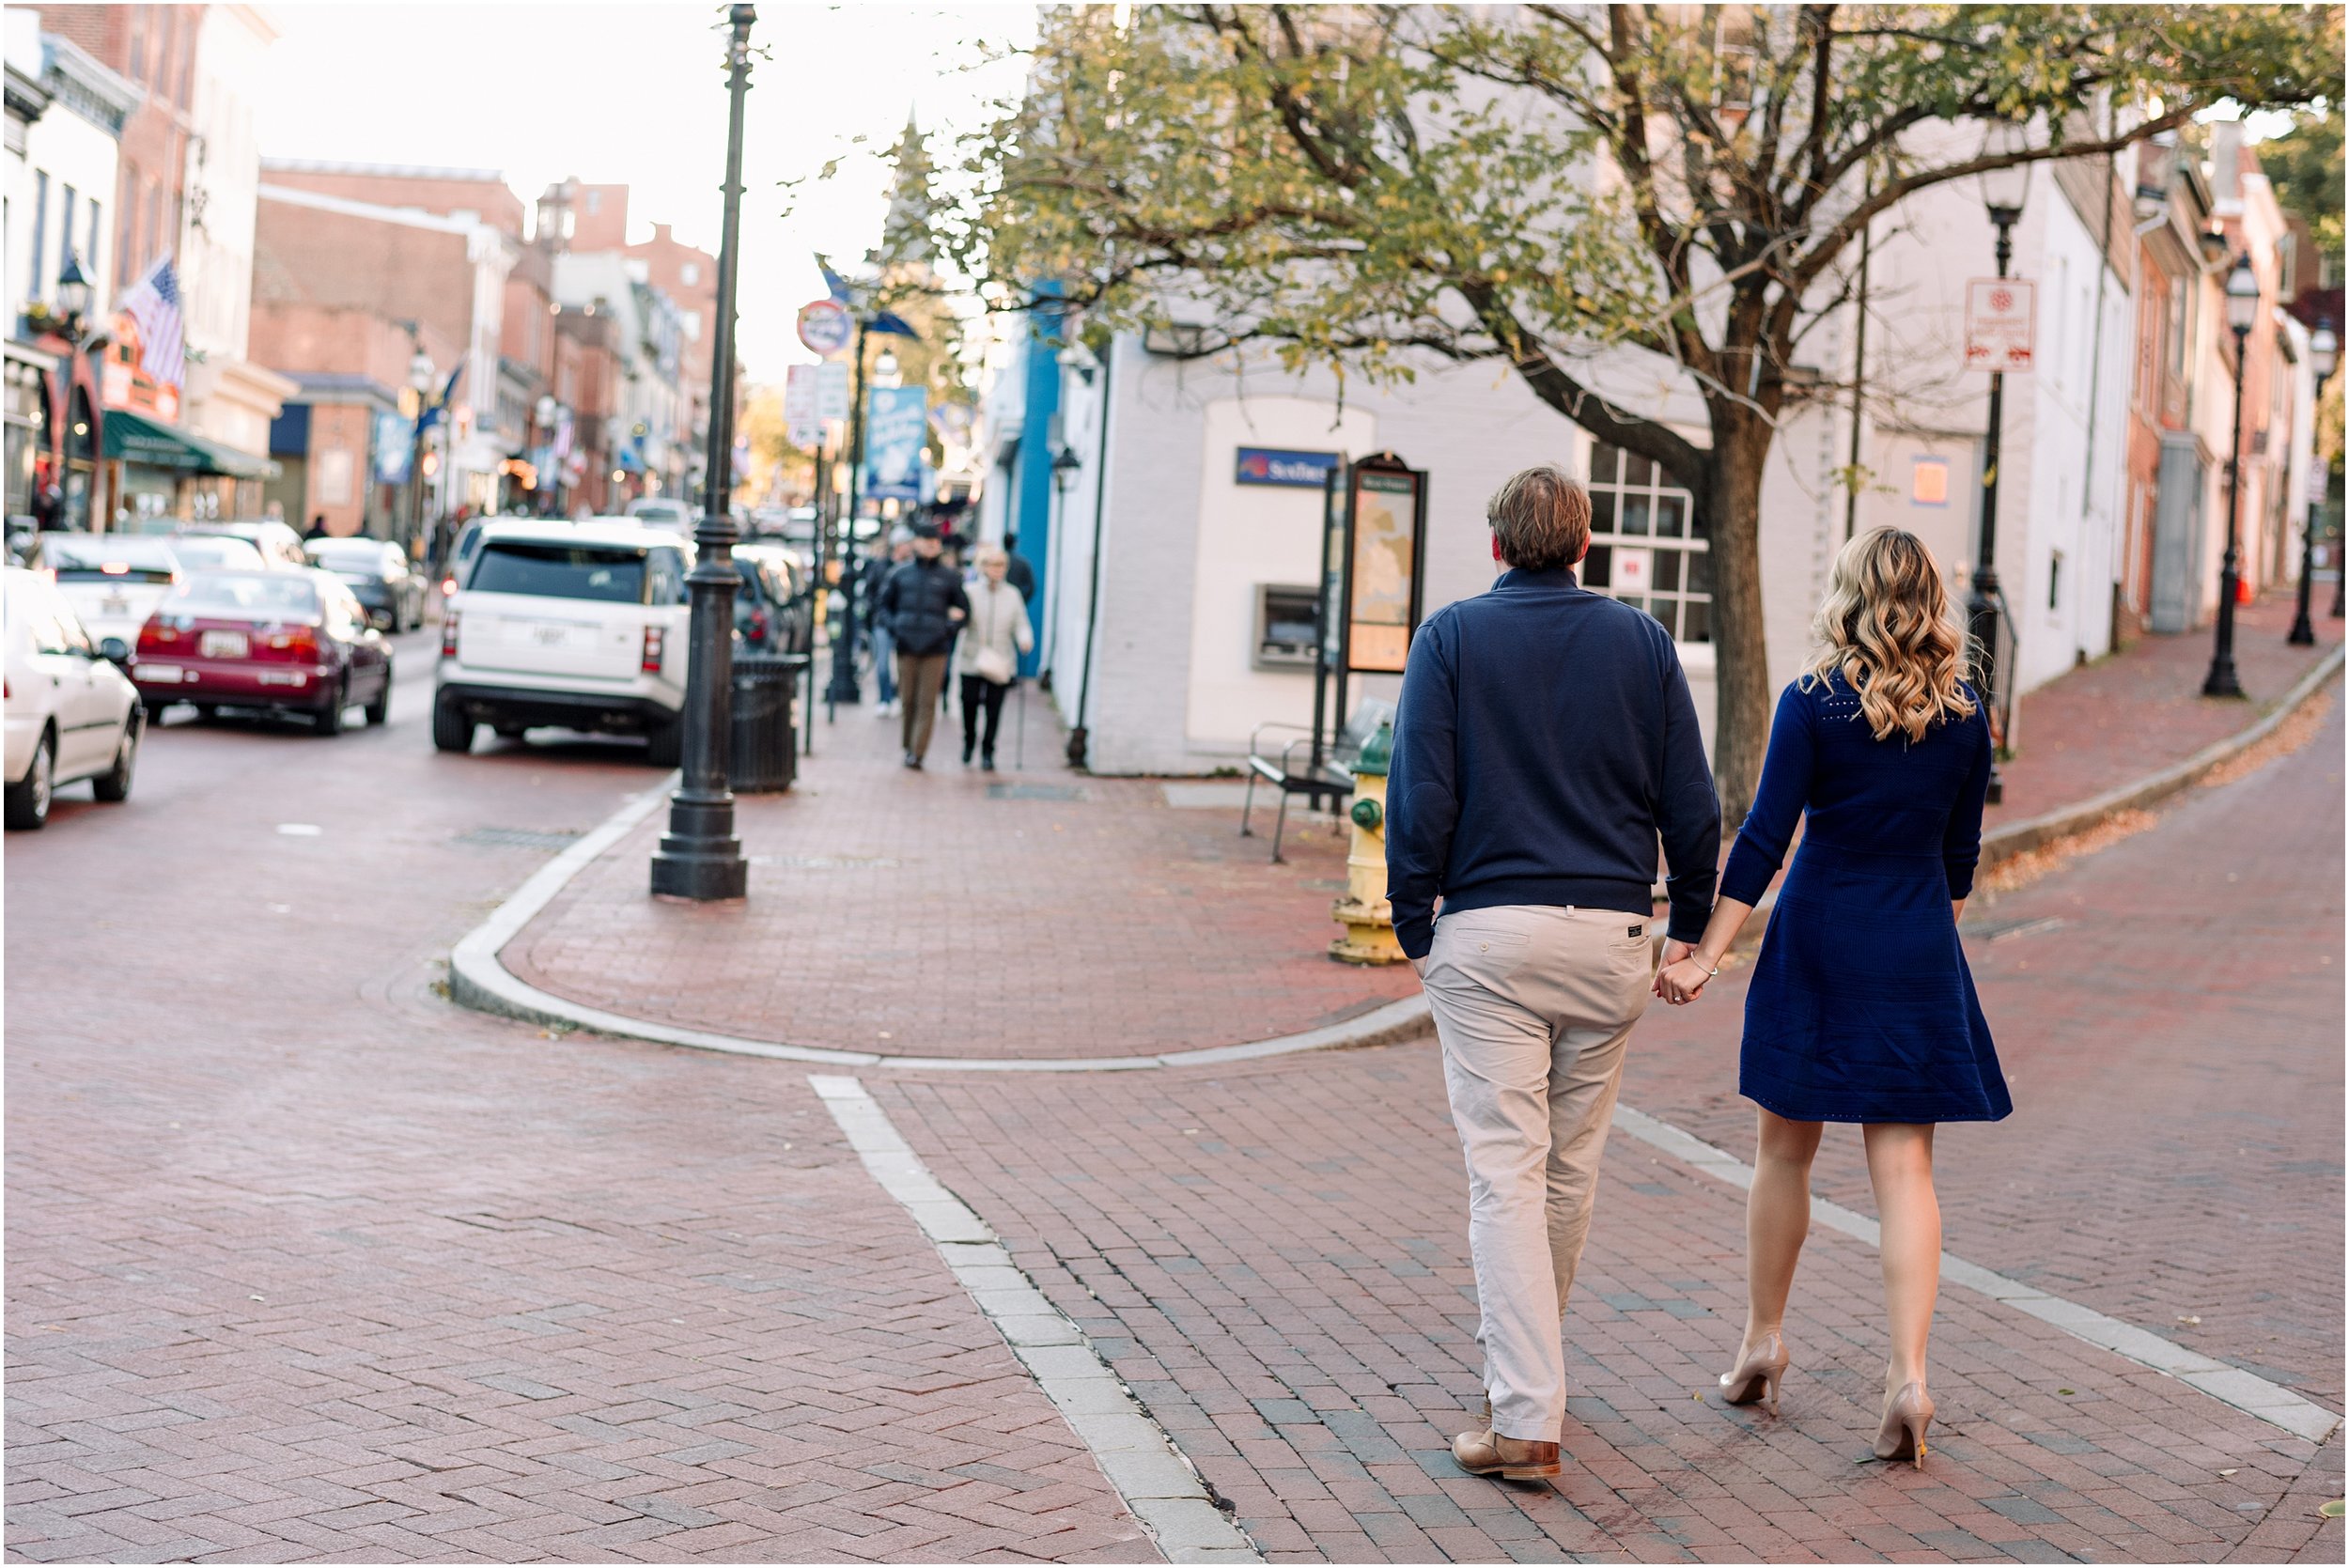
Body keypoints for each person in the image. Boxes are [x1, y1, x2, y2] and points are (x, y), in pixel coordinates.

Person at [1387, 464, 1719, 1483]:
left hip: (1489, 936)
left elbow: (1420, 793)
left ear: (1494, 546)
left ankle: (1527, 1412)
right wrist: (1689, 931)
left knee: (1504, 1171)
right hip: (1610, 937)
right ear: (1585, 548)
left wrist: (1413, 924)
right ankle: (1521, 1379)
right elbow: (1694, 809)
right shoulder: (1642, 643)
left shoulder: (1449, 638)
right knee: (1564, 1171)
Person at [1656, 527, 2005, 1471]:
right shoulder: (1967, 713)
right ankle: (1908, 1375)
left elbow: (1765, 837)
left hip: (1816, 936)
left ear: (1847, 591)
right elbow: (1959, 861)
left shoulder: (1813, 701)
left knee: (1783, 1149)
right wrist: (1920, 930)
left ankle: (1762, 1340)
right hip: (1914, 939)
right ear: (1932, 598)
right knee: (1904, 1173)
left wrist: (1705, 957)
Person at [875, 521, 968, 768]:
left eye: (934, 542)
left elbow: (964, 611)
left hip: (935, 649)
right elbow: (883, 606)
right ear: (915, 543)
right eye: (926, 541)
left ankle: (918, 752)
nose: (930, 546)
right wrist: (896, 627)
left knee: (927, 702)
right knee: (908, 701)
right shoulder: (900, 574)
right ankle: (908, 746)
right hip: (906, 646)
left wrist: (947, 630)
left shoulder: (949, 577)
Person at [956, 545, 1033, 770]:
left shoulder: (1012, 595)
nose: (998, 570)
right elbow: (960, 617)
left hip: (1000, 658)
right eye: (994, 565)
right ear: (983, 566)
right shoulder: (969, 591)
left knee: (994, 707)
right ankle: (969, 741)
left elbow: (1021, 623)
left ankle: (988, 750)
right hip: (972, 657)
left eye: (1002, 565)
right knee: (968, 703)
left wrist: (1025, 639)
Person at [864, 530, 913, 716]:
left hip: (904, 623)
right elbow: (870, 592)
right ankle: (884, 698)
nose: (908, 548)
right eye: (905, 544)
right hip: (883, 622)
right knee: (883, 664)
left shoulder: (912, 568)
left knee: (903, 665)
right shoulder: (880, 566)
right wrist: (877, 613)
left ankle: (899, 697)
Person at [1001, 532, 1036, 602]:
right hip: (1014, 600)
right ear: (1015, 544)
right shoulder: (1022, 563)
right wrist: (1021, 600)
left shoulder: (996, 560)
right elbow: (1031, 587)